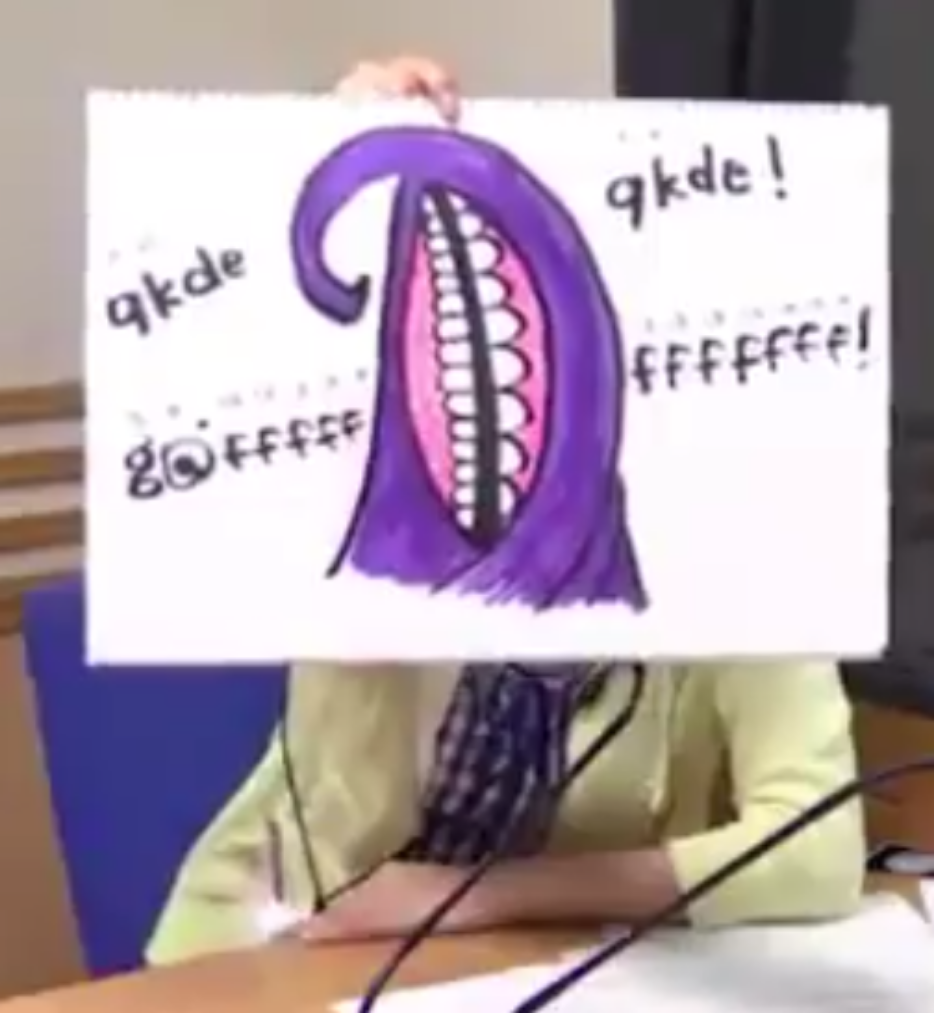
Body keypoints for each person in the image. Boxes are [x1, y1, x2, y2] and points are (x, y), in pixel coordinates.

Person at [146, 56, 866, 965]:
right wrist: (333, 142)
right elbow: (344, 854)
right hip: (284, 937)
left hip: (540, 959)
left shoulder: (737, 530)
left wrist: (478, 896)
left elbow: (818, 852)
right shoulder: (380, 491)